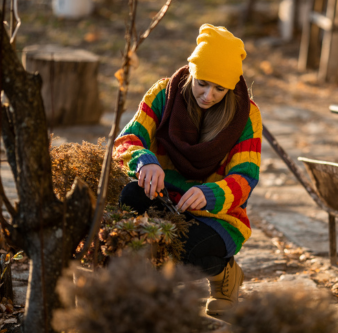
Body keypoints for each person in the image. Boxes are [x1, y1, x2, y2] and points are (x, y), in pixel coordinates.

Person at [113, 24, 262, 315]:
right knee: (130, 196)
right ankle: (138, 290)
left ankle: (225, 275)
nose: (208, 95)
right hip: (164, 197)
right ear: (192, 71)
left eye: (220, 88)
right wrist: (145, 160)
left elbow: (246, 177)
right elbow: (126, 141)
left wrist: (210, 193)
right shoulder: (163, 94)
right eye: (202, 83)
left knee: (187, 254)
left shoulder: (246, 114)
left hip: (218, 215)